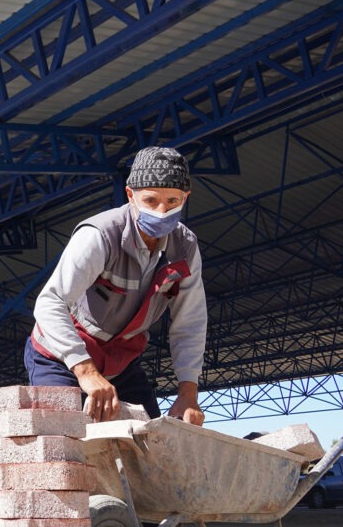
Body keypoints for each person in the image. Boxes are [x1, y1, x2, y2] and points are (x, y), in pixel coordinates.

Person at [25, 146, 207, 426]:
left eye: (172, 201)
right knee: (64, 446)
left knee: (151, 445)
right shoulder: (99, 236)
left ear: (186, 198)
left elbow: (190, 322)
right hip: (61, 356)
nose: (161, 212)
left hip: (120, 361)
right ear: (130, 195)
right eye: (150, 200)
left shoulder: (186, 247)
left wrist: (188, 392)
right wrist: (85, 372)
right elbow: (50, 303)